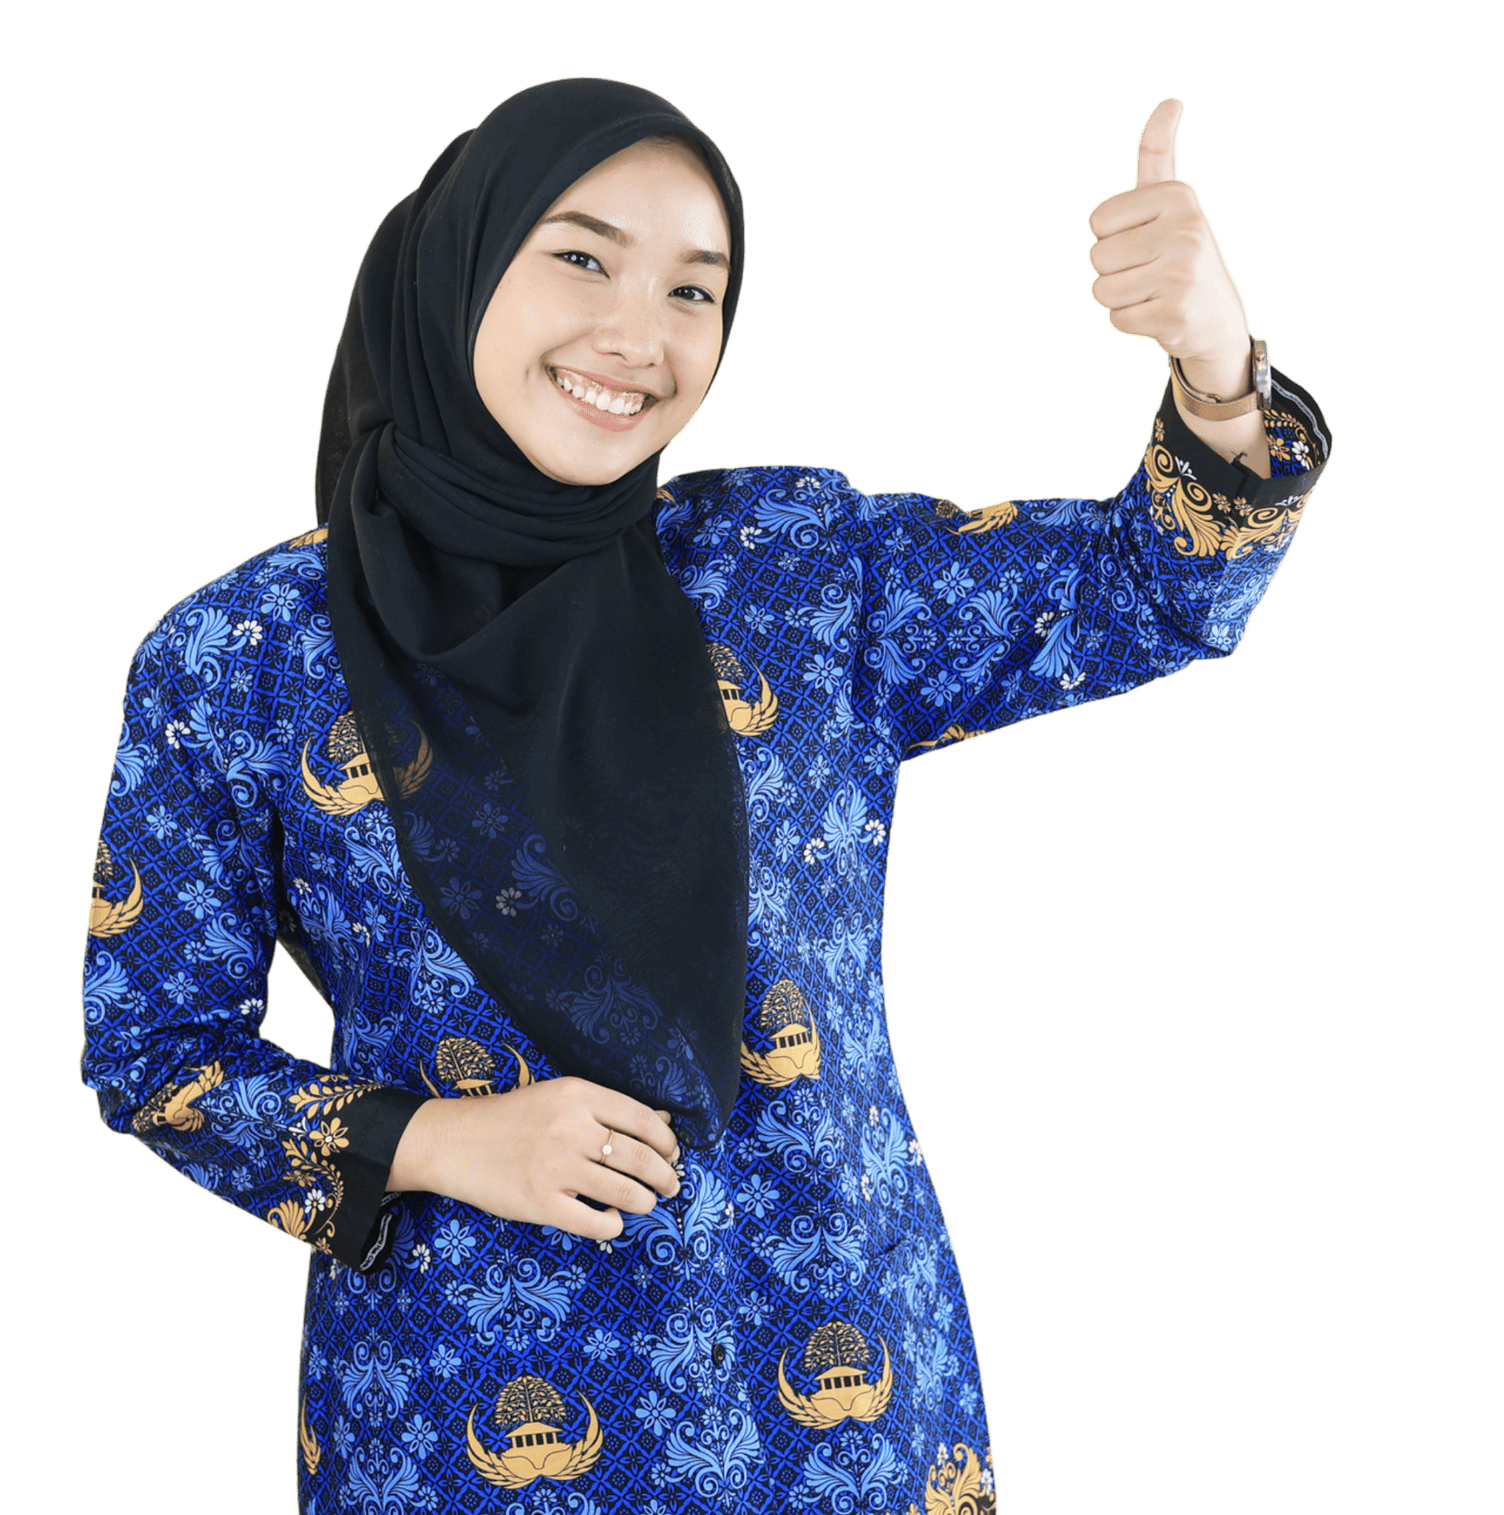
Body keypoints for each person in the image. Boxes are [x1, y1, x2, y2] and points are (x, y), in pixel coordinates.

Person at [78, 76, 1331, 1514]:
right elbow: (154, 1052)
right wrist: (439, 1140)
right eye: (582, 256)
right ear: (457, 267)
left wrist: (1216, 370)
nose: (639, 335)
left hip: (843, 1417)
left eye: (695, 289)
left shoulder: (792, 572)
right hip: (458, 1425)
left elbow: (1150, 591)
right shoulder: (244, 656)